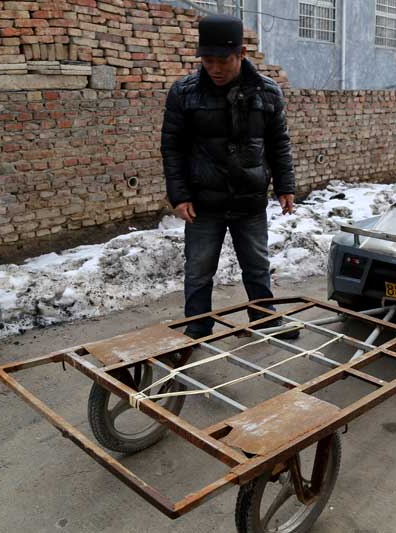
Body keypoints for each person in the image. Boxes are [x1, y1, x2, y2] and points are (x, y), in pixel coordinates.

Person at [161, 14, 298, 340]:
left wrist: (285, 186)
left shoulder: (267, 93)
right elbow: (172, 148)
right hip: (204, 202)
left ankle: (264, 321)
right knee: (198, 270)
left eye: (223, 61)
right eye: (207, 61)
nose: (215, 69)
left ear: (242, 54)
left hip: (249, 200)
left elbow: (278, 143)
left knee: (256, 265)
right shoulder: (184, 93)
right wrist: (179, 195)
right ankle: (197, 329)